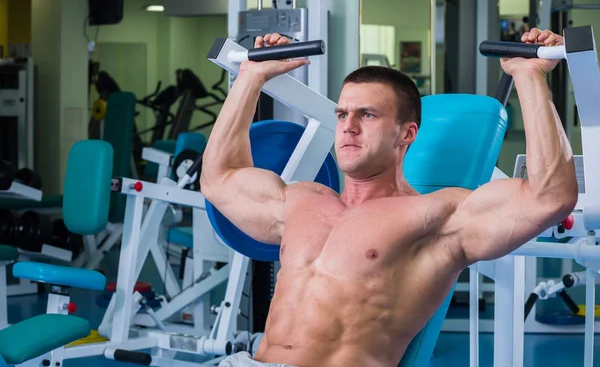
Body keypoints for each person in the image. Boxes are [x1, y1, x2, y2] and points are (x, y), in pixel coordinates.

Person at [200, 29, 578, 367]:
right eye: (342, 113)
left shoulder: (436, 218)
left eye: (367, 115)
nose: (347, 125)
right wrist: (251, 76)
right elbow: (220, 178)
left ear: (406, 134)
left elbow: (549, 197)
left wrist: (530, 78)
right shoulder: (300, 201)